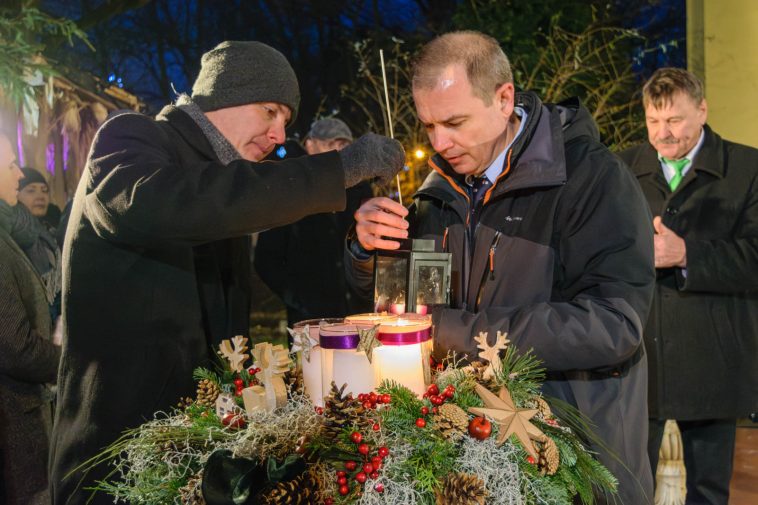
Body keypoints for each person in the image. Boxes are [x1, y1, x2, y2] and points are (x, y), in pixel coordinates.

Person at [49, 40, 404, 505]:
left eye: (287, 122)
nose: (279, 135)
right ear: (224, 96)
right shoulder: (130, 140)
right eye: (270, 111)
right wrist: (340, 168)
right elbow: (171, 205)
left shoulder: (226, 182)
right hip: (116, 454)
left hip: (194, 452)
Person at [347, 31, 656, 504]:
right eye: (428, 125)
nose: (439, 142)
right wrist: (367, 252)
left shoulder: (592, 179)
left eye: (454, 121)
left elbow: (614, 326)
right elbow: (406, 304)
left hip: (573, 458)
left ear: (504, 98)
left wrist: (452, 333)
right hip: (470, 458)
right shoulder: (437, 192)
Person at [618, 67, 758, 505]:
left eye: (674, 120)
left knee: (709, 490)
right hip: (638, 356)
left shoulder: (748, 168)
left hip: (714, 355)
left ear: (702, 110)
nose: (663, 133)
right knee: (628, 485)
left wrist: (686, 254)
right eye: (653, 121)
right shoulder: (621, 168)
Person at [255, 118, 373, 326]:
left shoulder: (360, 192)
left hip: (356, 316)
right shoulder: (290, 190)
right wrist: (297, 300)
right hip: (310, 322)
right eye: (330, 145)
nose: (338, 152)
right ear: (310, 145)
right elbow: (266, 258)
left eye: (343, 145)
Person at [0, 131, 62, 504]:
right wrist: (70, 360)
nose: (19, 176)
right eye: (9, 165)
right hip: (13, 422)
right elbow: (13, 347)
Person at [14, 167, 63, 322]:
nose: (40, 196)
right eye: (31, 190)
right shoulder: (14, 233)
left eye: (44, 190)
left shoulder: (53, 230)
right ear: (16, 193)